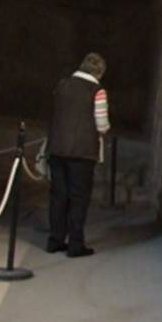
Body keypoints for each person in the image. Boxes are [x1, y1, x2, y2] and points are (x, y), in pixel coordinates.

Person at [46, 53, 110, 257]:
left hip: (57, 148)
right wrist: (105, 129)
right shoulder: (97, 91)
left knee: (58, 196)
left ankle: (55, 240)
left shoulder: (63, 85)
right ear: (99, 72)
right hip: (82, 153)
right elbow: (102, 124)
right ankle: (75, 244)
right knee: (79, 198)